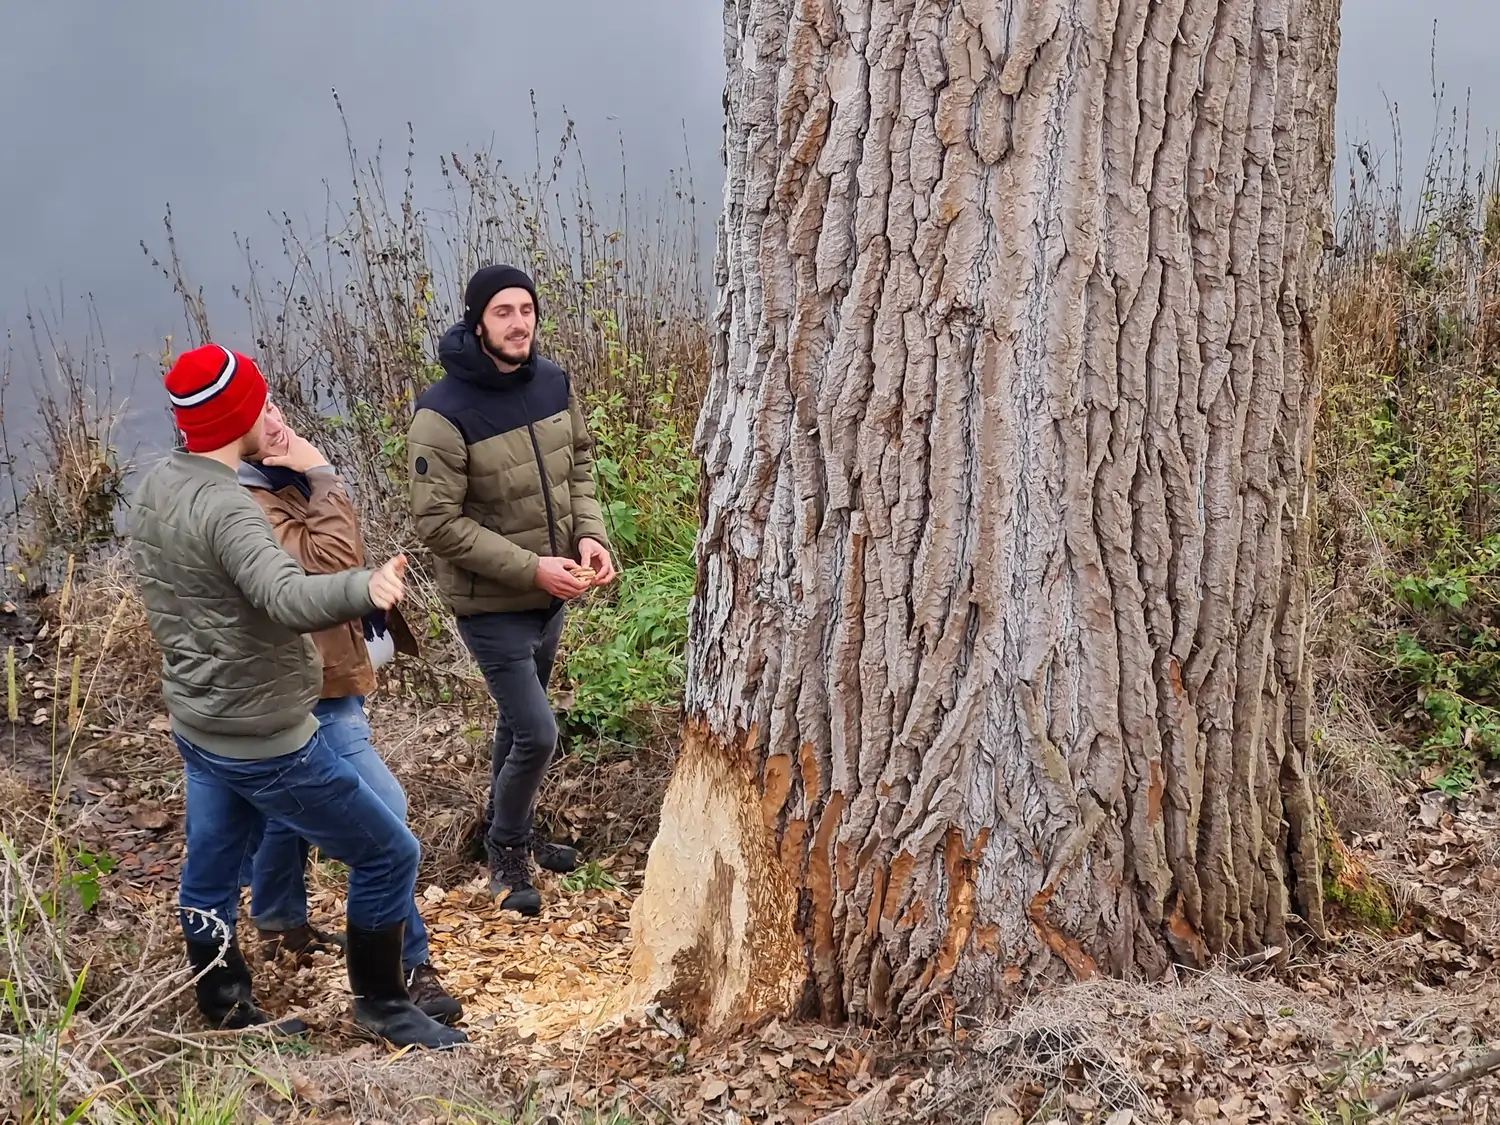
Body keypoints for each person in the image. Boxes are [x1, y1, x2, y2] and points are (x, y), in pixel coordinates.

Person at [129, 343, 465, 1049]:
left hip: (200, 721)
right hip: (265, 736)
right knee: (388, 852)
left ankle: (224, 1007)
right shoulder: (229, 508)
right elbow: (284, 594)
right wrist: (363, 587)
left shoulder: (160, 483)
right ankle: (380, 1000)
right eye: (261, 398)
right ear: (243, 411)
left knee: (211, 870)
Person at [236, 401, 462, 1027]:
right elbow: (329, 563)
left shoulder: (274, 483)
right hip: (307, 689)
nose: (277, 423)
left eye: (274, 405)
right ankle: (408, 969)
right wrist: (323, 472)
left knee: (294, 809)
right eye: (258, 416)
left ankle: (280, 920)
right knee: (385, 816)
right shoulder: (246, 502)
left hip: (329, 675)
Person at [407, 265, 615, 916]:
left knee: (517, 724)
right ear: (477, 321)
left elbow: (578, 462)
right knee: (537, 732)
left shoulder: (552, 381)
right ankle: (505, 850)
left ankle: (510, 828)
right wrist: (531, 568)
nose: (519, 322)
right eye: (504, 311)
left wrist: (590, 535)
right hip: (491, 602)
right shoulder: (443, 413)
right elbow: (436, 522)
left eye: (526, 308)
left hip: (553, 594)